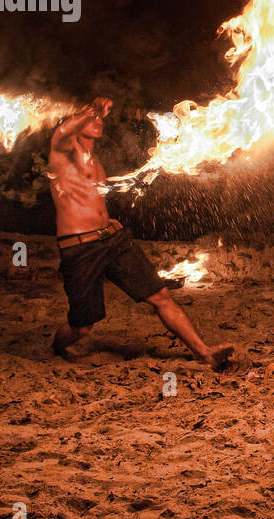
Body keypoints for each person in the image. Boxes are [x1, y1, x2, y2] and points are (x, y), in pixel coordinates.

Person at [46, 97, 234, 369]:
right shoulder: (62, 152)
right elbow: (62, 132)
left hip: (113, 241)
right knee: (82, 327)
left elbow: (87, 203)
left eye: (99, 117)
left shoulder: (95, 162)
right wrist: (90, 110)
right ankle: (55, 348)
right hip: (81, 248)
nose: (98, 120)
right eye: (89, 117)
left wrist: (107, 220)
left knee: (160, 296)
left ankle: (204, 352)